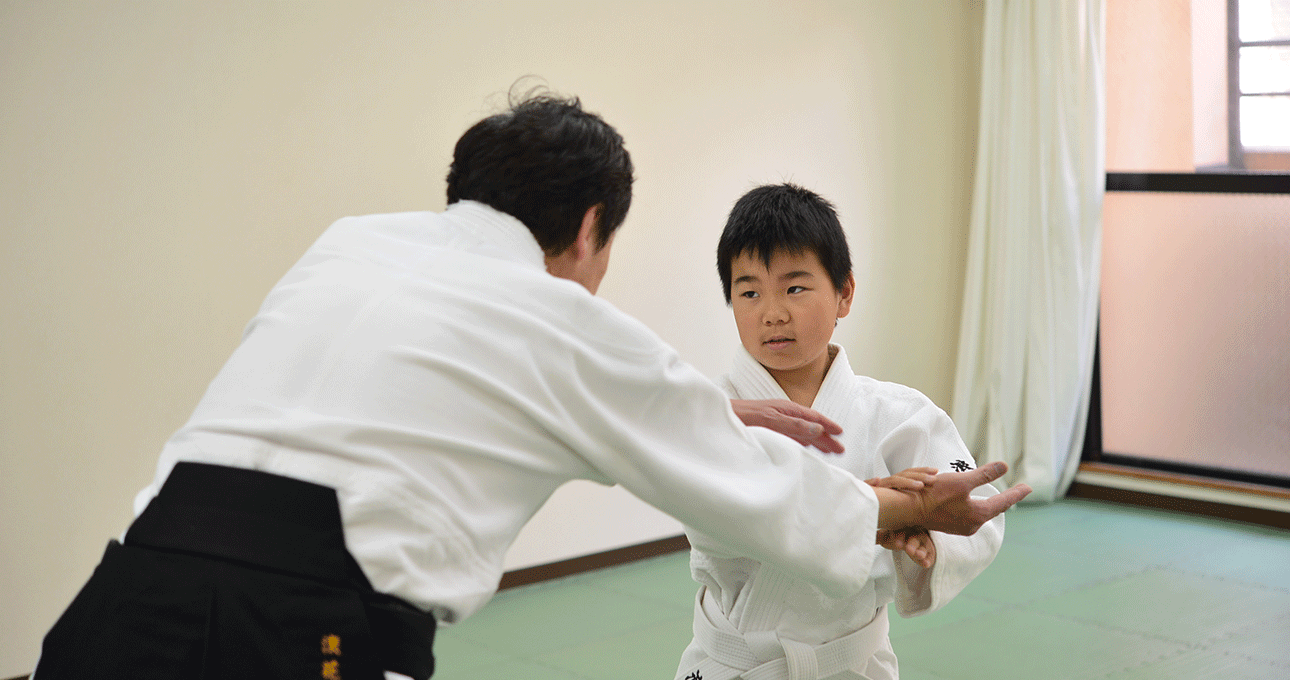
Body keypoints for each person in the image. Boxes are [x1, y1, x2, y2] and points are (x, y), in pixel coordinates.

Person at [34, 91, 1029, 680]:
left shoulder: (349, 246)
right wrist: (901, 502)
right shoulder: (562, 321)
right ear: (592, 225)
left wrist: (713, 411)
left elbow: (439, 386)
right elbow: (750, 483)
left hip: (119, 600)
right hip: (298, 633)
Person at [674, 183, 1007, 680]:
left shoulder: (899, 413)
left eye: (795, 287)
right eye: (749, 292)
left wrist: (928, 539)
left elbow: (966, 506)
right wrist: (878, 508)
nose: (772, 312)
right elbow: (722, 522)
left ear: (844, 293)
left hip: (852, 666)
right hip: (735, 665)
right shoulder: (713, 411)